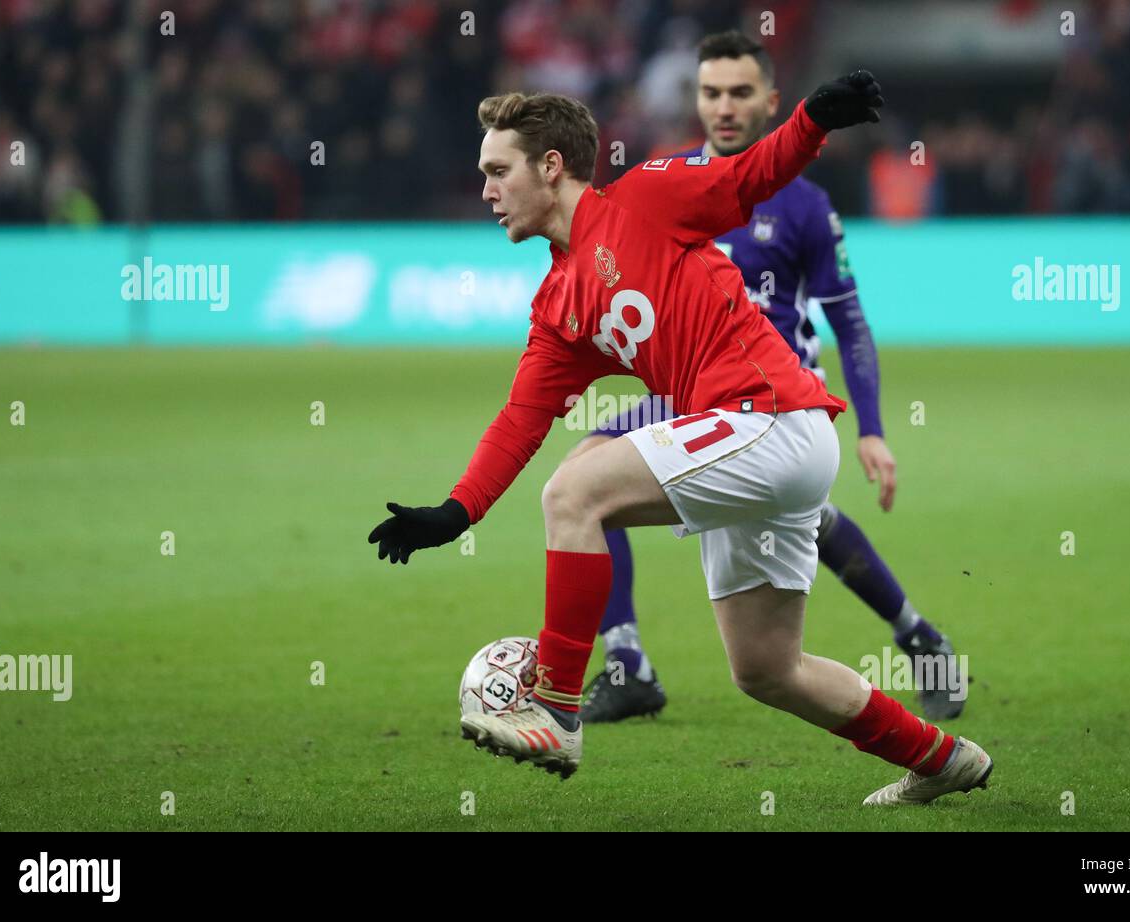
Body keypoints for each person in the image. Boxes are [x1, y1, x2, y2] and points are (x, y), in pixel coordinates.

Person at [369, 72, 994, 805]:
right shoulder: (559, 303)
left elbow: (746, 177)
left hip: (768, 417)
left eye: (497, 170)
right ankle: (940, 758)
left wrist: (810, 121)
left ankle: (558, 706)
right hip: (754, 444)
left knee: (574, 492)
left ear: (550, 167)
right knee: (766, 668)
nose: (486, 190)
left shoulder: (644, 197)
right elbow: (519, 419)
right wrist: (456, 511)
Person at [574, 32, 965, 725]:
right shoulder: (664, 181)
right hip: (686, 390)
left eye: (741, 93)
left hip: (775, 399)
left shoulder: (805, 204)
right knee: (582, 476)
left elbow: (849, 320)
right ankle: (627, 660)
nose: (724, 107)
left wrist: (872, 430)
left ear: (772, 101)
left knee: (809, 518)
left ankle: (917, 634)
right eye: (711, 93)